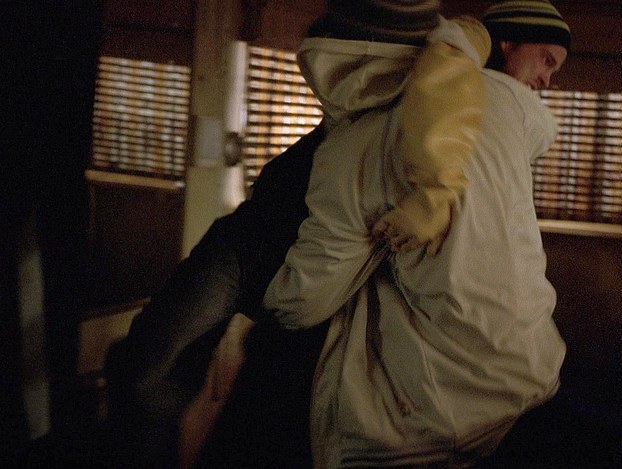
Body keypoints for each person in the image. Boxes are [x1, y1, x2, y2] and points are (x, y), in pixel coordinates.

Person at [108, 0, 573, 467]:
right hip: (252, 246)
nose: (547, 80)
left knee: (248, 391)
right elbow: (451, 59)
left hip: (309, 279)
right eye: (546, 61)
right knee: (152, 365)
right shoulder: (428, 80)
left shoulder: (457, 104)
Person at [254, 0, 572, 466]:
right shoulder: (511, 118)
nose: (546, 81)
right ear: (505, 43)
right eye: (546, 60)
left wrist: (265, 304)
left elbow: (304, 299)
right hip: (534, 362)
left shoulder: (360, 142)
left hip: (431, 402)